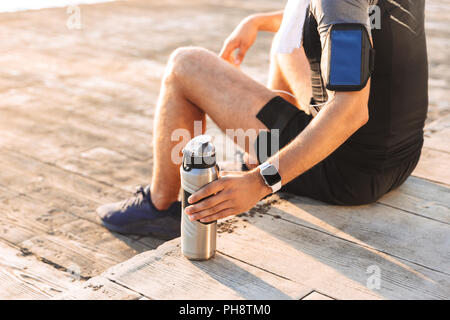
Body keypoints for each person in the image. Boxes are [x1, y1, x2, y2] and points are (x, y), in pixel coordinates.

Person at [96, 0, 428, 239]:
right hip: (399, 157)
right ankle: (263, 150)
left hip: (346, 172)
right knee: (285, 47)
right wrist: (257, 20)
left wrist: (260, 182)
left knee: (186, 64)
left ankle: (164, 205)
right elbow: (331, 17)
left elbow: (351, 110)